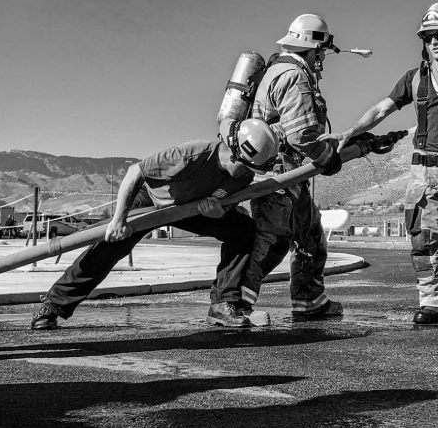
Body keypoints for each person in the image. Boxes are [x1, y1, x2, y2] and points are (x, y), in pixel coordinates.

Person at [330, 3, 438, 325]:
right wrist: (350, 131)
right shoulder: (415, 79)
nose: (432, 43)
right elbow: (382, 109)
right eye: (427, 37)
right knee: (424, 240)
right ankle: (435, 302)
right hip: (421, 172)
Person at [31, 119, 280, 330]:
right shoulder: (191, 155)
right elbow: (134, 172)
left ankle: (223, 305)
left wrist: (217, 213)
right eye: (246, 167)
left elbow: (225, 203)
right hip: (152, 199)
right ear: (234, 152)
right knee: (109, 246)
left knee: (242, 229)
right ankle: (53, 306)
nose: (247, 173)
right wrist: (119, 220)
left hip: (191, 208)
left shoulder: (244, 175)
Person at [239, 14, 346, 321]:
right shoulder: (294, 77)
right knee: (271, 243)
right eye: (320, 52)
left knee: (310, 233)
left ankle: (309, 300)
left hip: (281, 176)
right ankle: (234, 302)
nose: (321, 59)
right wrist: (326, 157)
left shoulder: (275, 71)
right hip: (279, 177)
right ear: (311, 48)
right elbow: (300, 135)